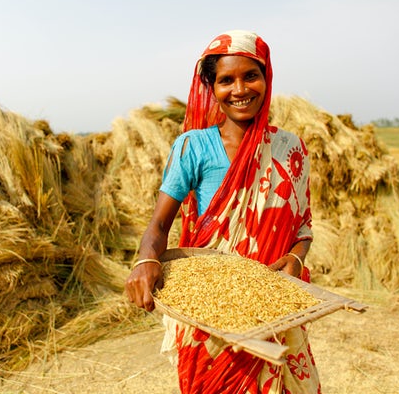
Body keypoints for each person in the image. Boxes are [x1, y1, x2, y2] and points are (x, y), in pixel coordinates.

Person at [125, 30, 320, 393]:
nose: (240, 89)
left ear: (267, 78)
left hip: (272, 305)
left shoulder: (289, 148)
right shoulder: (193, 147)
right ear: (211, 88)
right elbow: (159, 223)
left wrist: (295, 257)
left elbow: (303, 225)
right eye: (226, 80)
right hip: (210, 317)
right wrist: (145, 260)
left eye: (251, 76)